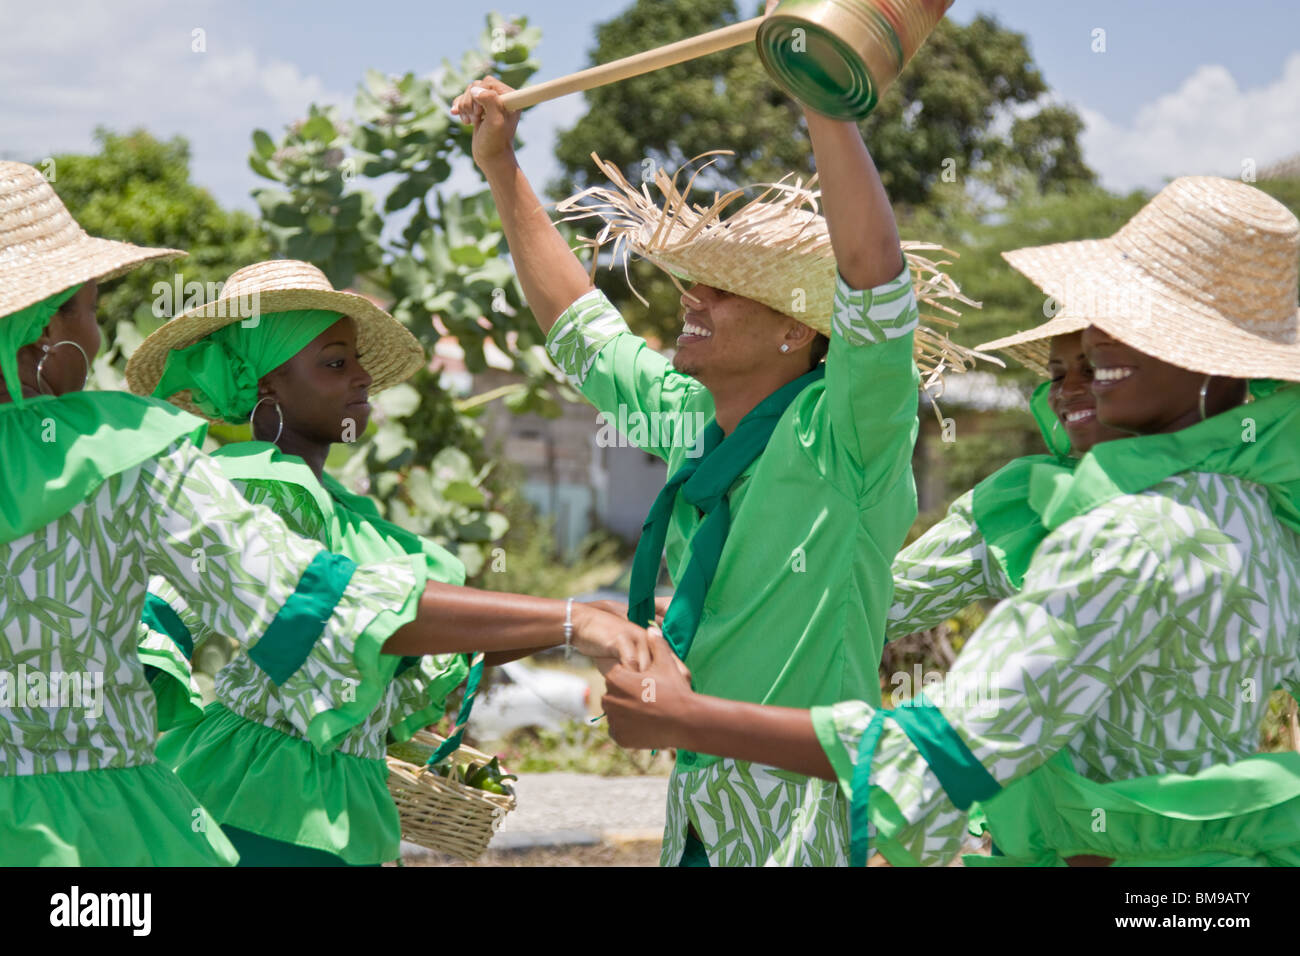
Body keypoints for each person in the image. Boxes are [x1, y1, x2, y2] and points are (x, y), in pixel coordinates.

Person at [601, 175, 1300, 866]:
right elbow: (878, 595)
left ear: (1217, 366)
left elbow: (949, 746)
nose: (1092, 361)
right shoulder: (1256, 515)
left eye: (1129, 327)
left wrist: (688, 719)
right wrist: (726, 605)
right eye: (1069, 363)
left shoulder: (1132, 530)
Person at [0, 162, 652, 865]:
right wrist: (568, 619)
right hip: (94, 827)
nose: (96, 340)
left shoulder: (308, 501)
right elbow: (320, 608)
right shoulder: (130, 460)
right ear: (44, 335)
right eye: (91, 310)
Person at [451, 58, 974, 864]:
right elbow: (579, 328)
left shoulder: (846, 432)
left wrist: (823, 104)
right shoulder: (693, 416)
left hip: (803, 822)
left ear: (796, 330)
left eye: (722, 291)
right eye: (693, 283)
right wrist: (500, 164)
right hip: (696, 814)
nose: (689, 298)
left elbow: (875, 288)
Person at [126, 259, 654, 866]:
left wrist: (597, 618)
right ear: (268, 385)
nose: (362, 378)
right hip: (261, 809)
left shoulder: (340, 511)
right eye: (335, 362)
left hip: (320, 803)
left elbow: (409, 637)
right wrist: (572, 620)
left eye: (356, 360)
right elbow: (337, 615)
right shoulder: (260, 491)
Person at [886, 328, 1128, 641]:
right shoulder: (1020, 498)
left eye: (1092, 370)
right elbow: (881, 608)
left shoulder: (1199, 490)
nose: (1067, 390)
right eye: (1056, 376)